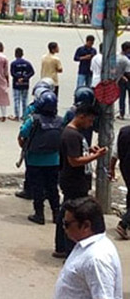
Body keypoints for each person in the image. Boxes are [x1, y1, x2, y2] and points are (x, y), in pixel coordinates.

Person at [53, 197, 123, 299]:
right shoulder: (85, 246)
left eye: (67, 224)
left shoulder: (96, 259)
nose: (63, 228)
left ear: (86, 226)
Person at [54, 104, 106, 258]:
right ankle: (68, 249)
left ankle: (61, 247)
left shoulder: (76, 134)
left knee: (66, 211)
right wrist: (97, 156)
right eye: (90, 121)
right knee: (74, 215)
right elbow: (74, 160)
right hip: (73, 181)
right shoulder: (71, 135)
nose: (90, 124)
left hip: (76, 180)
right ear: (81, 116)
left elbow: (77, 153)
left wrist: (90, 151)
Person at [18, 90, 62, 225]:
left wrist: (24, 148)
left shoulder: (33, 120)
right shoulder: (60, 120)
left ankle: (39, 215)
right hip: (54, 160)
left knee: (38, 188)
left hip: (34, 160)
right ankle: (56, 214)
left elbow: (22, 134)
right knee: (52, 188)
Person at [111, 124, 130, 239]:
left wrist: (111, 168)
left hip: (126, 168)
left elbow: (115, 153)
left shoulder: (123, 131)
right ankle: (124, 223)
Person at [10, 47, 34, 120]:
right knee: (24, 100)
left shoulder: (13, 63)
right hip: (25, 84)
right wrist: (25, 78)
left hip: (16, 84)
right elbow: (32, 72)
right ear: (22, 54)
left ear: (15, 54)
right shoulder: (27, 63)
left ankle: (17, 115)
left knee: (17, 100)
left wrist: (18, 78)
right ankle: (24, 115)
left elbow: (12, 73)